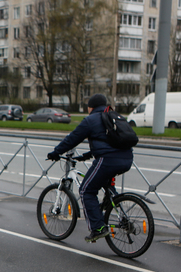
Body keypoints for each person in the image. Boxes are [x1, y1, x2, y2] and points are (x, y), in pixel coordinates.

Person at [46, 94, 133, 243]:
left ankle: (98, 228)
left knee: (86, 190)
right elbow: (109, 142)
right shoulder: (113, 116)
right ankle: (114, 208)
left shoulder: (91, 120)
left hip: (108, 160)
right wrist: (87, 155)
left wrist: (56, 152)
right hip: (127, 159)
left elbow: (73, 138)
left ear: (91, 107)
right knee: (105, 184)